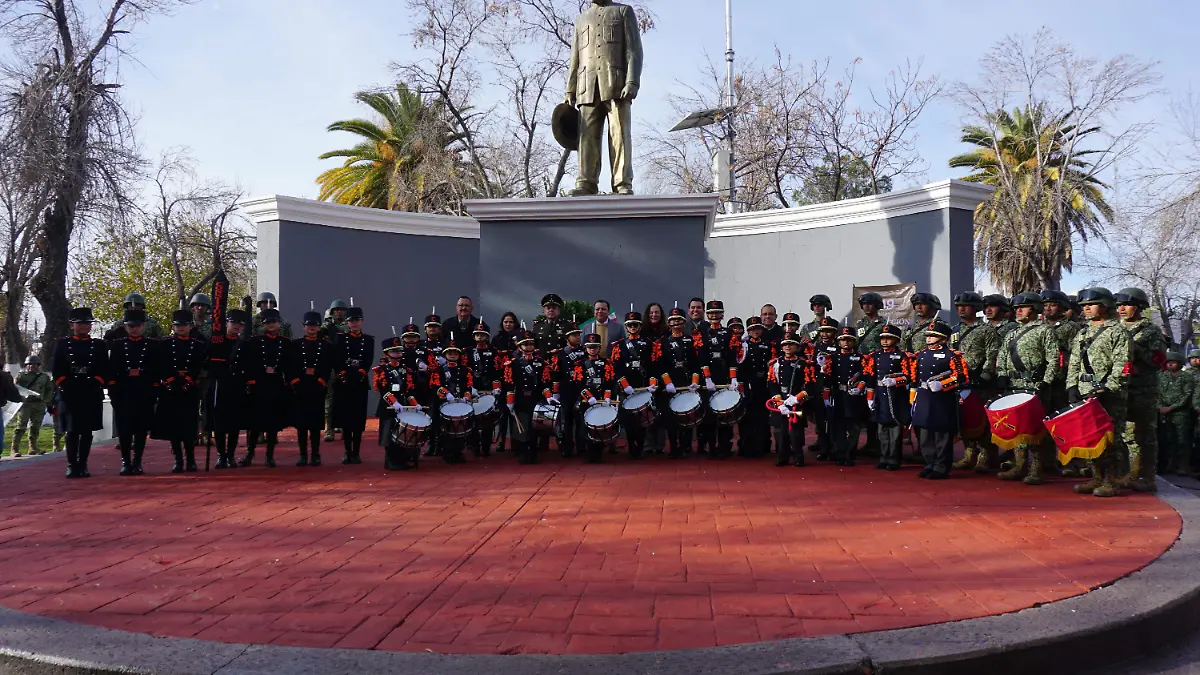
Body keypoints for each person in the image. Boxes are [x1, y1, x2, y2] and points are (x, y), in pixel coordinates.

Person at [1067, 287, 1132, 498]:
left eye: (1091, 304)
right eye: (1084, 305)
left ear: (1104, 306)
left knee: (1111, 438)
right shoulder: (1083, 332)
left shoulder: (1118, 332)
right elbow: (1074, 363)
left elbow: (1123, 365)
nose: (1086, 308)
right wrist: (1072, 386)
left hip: (1109, 394)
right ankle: (1096, 476)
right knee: (1091, 438)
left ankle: (1112, 480)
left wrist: (1108, 387)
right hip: (1086, 392)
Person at [993, 291, 1059, 485]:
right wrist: (1002, 375)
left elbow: (1054, 359)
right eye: (1016, 308)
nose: (1018, 311)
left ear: (1035, 309)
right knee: (1016, 427)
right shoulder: (1011, 333)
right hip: (1014, 385)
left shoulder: (1045, 330)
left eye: (1023, 307)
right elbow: (1003, 356)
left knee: (1035, 429)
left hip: (1035, 386)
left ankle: (1036, 469)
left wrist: (1046, 382)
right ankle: (1019, 465)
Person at [1115, 287, 1168, 492]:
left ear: (1139, 308)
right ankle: (1127, 473)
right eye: (1119, 305)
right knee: (1125, 434)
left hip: (1143, 390)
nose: (1121, 309)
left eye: (1126, 305)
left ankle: (1145, 476)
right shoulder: (1115, 328)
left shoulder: (1151, 331)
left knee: (1143, 434)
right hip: (1121, 389)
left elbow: (1157, 359)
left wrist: (1133, 349)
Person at [52, 307, 109, 478]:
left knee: (86, 431)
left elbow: (104, 368)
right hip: (70, 391)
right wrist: (65, 384)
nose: (84, 326)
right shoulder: (62, 344)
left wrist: (97, 383)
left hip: (90, 390)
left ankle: (83, 463)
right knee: (72, 430)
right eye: (80, 323)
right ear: (72, 325)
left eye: (87, 323)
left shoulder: (98, 345)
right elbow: (57, 369)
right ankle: (71, 464)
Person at [907, 319, 966, 480]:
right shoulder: (921, 355)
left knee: (941, 435)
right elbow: (914, 377)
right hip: (924, 396)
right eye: (928, 335)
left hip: (942, 398)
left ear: (944, 339)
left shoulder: (952, 356)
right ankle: (929, 463)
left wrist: (943, 384)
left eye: (933, 336)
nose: (928, 339)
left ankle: (941, 466)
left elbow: (960, 376)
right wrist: (913, 397)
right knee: (925, 434)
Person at [151, 310, 207, 473]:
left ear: (191, 326)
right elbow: (161, 364)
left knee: (189, 426)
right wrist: (170, 380)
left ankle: (191, 459)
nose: (181, 328)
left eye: (184, 325)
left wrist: (189, 380)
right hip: (170, 388)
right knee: (173, 427)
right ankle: (178, 460)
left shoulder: (198, 345)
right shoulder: (164, 344)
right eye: (178, 325)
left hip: (189, 389)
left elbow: (198, 365)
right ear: (173, 327)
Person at [950, 292, 999, 472]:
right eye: (958, 306)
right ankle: (969, 453)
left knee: (982, 420)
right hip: (959, 380)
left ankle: (986, 455)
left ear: (976, 308)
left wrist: (986, 374)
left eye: (965, 306)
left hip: (980, 381)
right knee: (964, 418)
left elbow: (992, 354)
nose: (961, 309)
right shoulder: (954, 330)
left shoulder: (986, 330)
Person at [106, 309, 160, 475]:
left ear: (143, 326)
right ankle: (125, 461)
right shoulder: (118, 345)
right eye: (131, 326)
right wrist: (114, 392)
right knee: (124, 430)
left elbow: (156, 371)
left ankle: (137, 461)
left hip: (144, 392)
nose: (134, 329)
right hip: (124, 392)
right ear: (125, 327)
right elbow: (112, 371)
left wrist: (152, 388)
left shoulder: (151, 345)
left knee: (141, 430)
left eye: (137, 326)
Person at [237, 308, 290, 468]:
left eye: (274, 322)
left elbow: (289, 364)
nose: (271, 325)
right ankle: (249, 453)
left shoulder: (285, 343)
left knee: (272, 424)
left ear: (279, 323)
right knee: (254, 423)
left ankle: (269, 455)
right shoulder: (254, 341)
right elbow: (248, 363)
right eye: (268, 322)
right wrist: (253, 380)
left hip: (276, 385)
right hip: (259, 385)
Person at [1041, 289, 1083, 476]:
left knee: (1065, 422)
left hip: (1063, 379)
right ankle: (1047, 461)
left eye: (1053, 304)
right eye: (1046, 305)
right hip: (1043, 380)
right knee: (1045, 421)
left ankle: (1071, 462)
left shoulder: (1071, 328)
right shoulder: (1039, 327)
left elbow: (1077, 355)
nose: (1048, 308)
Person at [288, 311, 335, 467]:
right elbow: (291, 366)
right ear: (303, 326)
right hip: (300, 385)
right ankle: (302, 455)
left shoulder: (326, 345)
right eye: (309, 325)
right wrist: (295, 382)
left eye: (315, 325)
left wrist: (321, 381)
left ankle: (315, 454)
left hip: (317, 386)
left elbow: (327, 365)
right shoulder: (295, 345)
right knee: (301, 424)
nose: (312, 328)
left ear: (319, 326)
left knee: (315, 424)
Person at [652, 307, 700, 458]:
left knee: (686, 416)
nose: (675, 323)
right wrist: (667, 383)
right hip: (670, 385)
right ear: (668, 323)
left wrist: (694, 381)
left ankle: (685, 446)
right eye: (672, 320)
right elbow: (659, 365)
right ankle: (673, 446)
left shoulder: (691, 341)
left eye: (678, 320)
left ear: (684, 322)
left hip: (686, 382)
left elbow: (695, 364)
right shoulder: (663, 342)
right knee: (671, 418)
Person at [864, 325, 913, 471]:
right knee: (882, 431)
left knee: (895, 431)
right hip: (880, 395)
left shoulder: (902, 356)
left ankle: (894, 459)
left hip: (896, 396)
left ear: (896, 340)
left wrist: (896, 381)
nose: (885, 341)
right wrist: (870, 397)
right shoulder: (876, 356)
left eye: (888, 338)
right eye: (883, 338)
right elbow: (871, 377)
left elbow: (909, 376)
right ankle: (884, 457)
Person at [695, 300, 740, 459]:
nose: (714, 316)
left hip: (724, 377)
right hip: (709, 379)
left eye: (717, 313)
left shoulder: (729, 333)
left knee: (724, 413)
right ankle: (710, 446)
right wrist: (707, 378)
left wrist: (733, 378)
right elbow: (701, 358)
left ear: (722, 314)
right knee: (709, 415)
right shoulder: (702, 333)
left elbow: (732, 358)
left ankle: (724, 446)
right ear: (707, 315)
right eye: (711, 313)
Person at [205, 308, 250, 469]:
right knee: (219, 421)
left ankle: (230, 455)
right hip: (219, 383)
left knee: (234, 421)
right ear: (227, 323)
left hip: (236, 383)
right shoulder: (216, 341)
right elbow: (207, 360)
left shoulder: (243, 344)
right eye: (234, 322)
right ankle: (221, 455)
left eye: (240, 324)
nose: (237, 326)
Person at [503, 329, 553, 465]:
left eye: (531, 344)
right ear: (520, 347)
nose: (529, 347)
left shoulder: (541, 363)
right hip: (521, 399)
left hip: (536, 399)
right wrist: (510, 401)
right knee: (523, 427)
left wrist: (548, 396)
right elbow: (509, 384)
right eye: (526, 344)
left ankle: (533, 453)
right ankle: (523, 453)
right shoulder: (514, 364)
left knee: (535, 426)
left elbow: (545, 382)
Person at [331, 306, 374, 464]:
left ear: (361, 321)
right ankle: (347, 451)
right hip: (344, 381)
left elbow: (368, 359)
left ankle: (356, 451)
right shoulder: (340, 338)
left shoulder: (368, 339)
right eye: (351, 321)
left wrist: (361, 373)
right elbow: (337, 358)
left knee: (358, 419)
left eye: (357, 320)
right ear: (347, 323)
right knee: (346, 419)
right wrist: (343, 374)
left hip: (360, 382)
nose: (354, 324)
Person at [611, 311, 654, 459]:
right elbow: (616, 367)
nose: (633, 327)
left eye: (635, 324)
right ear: (626, 327)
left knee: (641, 420)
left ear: (640, 326)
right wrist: (625, 384)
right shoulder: (620, 345)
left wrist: (651, 384)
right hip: (627, 387)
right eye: (630, 325)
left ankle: (640, 447)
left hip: (642, 385)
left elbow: (652, 366)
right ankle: (631, 446)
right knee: (629, 420)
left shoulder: (648, 344)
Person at [767, 331, 815, 467]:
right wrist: (779, 402)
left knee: (796, 433)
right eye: (785, 344)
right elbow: (772, 384)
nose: (788, 347)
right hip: (781, 402)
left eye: (791, 344)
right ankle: (782, 456)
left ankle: (798, 457)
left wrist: (797, 398)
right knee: (781, 432)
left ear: (797, 347)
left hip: (796, 402)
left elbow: (810, 386)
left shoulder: (804, 364)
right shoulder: (775, 364)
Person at [823, 327, 868, 466]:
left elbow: (865, 375)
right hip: (838, 394)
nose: (846, 342)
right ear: (839, 341)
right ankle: (840, 452)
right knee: (838, 425)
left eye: (849, 339)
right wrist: (826, 396)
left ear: (854, 342)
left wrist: (859, 387)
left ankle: (850, 454)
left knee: (853, 427)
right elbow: (828, 379)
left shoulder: (861, 358)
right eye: (843, 339)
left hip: (853, 396)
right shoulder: (833, 358)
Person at [374, 337, 420, 471]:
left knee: (402, 436)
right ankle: (390, 461)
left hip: (403, 407)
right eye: (394, 351)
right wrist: (395, 403)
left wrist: (414, 403)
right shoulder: (382, 370)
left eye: (399, 351)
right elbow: (384, 391)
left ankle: (402, 459)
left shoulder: (406, 370)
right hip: (388, 408)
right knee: (390, 435)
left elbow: (409, 390)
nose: (398, 354)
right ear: (387, 353)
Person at [573, 332, 617, 463]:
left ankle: (599, 451)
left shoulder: (606, 363)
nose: (592, 349)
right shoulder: (580, 365)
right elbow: (578, 384)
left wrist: (607, 396)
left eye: (595, 346)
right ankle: (587, 451)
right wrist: (588, 397)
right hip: (586, 400)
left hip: (601, 399)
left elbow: (610, 382)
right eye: (590, 347)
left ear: (599, 348)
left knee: (599, 425)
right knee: (585, 426)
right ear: (585, 348)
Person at [737, 317, 774, 458]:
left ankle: (761, 446)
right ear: (748, 331)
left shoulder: (768, 345)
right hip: (747, 385)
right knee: (746, 417)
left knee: (761, 418)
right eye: (752, 329)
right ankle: (745, 446)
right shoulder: (743, 345)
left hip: (762, 385)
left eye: (758, 328)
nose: (755, 331)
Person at [855, 292, 888, 452]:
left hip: (878, 369)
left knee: (877, 404)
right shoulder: (859, 325)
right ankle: (869, 441)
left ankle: (879, 442)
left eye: (870, 303)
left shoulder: (884, 325)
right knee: (864, 406)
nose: (867, 306)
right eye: (864, 304)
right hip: (862, 368)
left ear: (877, 305)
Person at [435, 338, 475, 464]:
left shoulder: (464, 370)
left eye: (455, 353)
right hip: (445, 403)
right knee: (447, 430)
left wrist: (466, 397)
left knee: (461, 429)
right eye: (449, 352)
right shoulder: (439, 370)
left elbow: (468, 386)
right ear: (445, 355)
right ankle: (448, 452)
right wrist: (446, 394)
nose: (452, 355)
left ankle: (458, 451)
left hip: (460, 403)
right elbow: (435, 385)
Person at [468, 323, 502, 457]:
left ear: (487, 336)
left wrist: (496, 389)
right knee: (473, 419)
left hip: (488, 390)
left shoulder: (494, 352)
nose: (479, 336)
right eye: (477, 334)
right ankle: (475, 446)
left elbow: (497, 372)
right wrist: (469, 388)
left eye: (482, 334)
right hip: (473, 389)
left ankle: (486, 447)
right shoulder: (469, 352)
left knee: (488, 420)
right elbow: (466, 371)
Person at [1158, 352, 1194, 476]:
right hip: (1164, 413)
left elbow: (1187, 395)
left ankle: (1183, 466)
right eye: (1168, 362)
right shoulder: (1162, 376)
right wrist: (1160, 407)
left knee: (1182, 439)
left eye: (1173, 362)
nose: (1170, 363)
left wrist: (1171, 408)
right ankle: (1170, 464)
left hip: (1180, 413)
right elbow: (1158, 393)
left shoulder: (1186, 377)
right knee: (1168, 439)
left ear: (1179, 363)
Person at [809, 317, 840, 459]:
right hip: (819, 387)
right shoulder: (817, 347)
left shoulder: (839, 346)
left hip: (833, 388)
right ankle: (824, 447)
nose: (825, 335)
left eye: (828, 331)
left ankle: (835, 448)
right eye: (822, 332)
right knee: (820, 419)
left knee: (833, 419)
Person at [11, 356, 53, 457]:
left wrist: (46, 401)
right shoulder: (21, 376)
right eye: (29, 364)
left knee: (36, 427)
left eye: (34, 364)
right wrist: (20, 398)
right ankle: (15, 448)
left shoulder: (44, 377)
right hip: (26, 404)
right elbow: (15, 388)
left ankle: (33, 447)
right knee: (21, 426)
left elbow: (49, 390)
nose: (31, 366)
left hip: (39, 404)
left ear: (38, 366)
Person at [321, 299, 350, 442]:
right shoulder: (326, 326)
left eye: (342, 310)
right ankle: (329, 429)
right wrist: (325, 328)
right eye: (336, 310)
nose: (339, 312)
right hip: (330, 365)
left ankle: (345, 427)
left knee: (345, 398)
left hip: (345, 365)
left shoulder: (349, 326)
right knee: (329, 398)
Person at [491, 312, 520, 451]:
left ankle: (516, 441)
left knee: (515, 412)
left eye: (511, 322)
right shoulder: (497, 339)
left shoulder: (519, 338)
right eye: (506, 322)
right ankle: (502, 440)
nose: (508, 324)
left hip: (516, 379)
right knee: (503, 413)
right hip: (502, 379)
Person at [556, 324, 586, 457]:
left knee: (580, 419)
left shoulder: (585, 351)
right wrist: (556, 392)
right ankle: (567, 447)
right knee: (566, 420)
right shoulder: (560, 353)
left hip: (580, 390)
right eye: (574, 335)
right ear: (567, 337)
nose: (578, 337)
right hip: (566, 390)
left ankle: (581, 447)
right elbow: (556, 373)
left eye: (579, 334)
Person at [533, 294, 574, 360]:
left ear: (559, 310)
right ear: (544, 310)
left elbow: (573, 346)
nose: (551, 310)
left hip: (561, 363)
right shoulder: (537, 326)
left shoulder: (567, 325)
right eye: (548, 308)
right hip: (542, 363)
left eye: (554, 308)